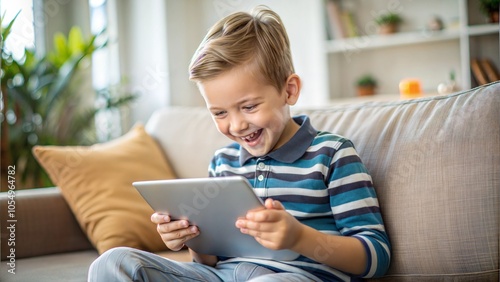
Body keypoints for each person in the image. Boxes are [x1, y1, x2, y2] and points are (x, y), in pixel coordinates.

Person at [88, 6, 390, 282]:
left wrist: (300, 238)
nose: (236, 125)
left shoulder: (332, 155)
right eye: (219, 113)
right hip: (222, 276)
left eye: (249, 107)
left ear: (289, 90)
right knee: (113, 263)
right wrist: (189, 238)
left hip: (295, 277)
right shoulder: (222, 163)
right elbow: (209, 260)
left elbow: (376, 257)